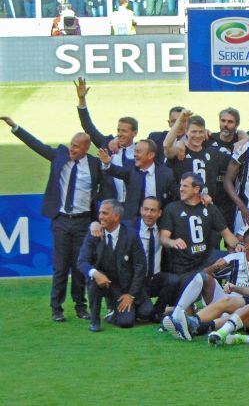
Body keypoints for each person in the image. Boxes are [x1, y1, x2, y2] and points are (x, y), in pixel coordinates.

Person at [1, 116, 100, 322]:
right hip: (62, 220)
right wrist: (15, 127)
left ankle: (81, 307)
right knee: (60, 267)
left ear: (85, 148)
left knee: (80, 267)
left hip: (83, 222)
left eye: (76, 146)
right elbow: (36, 145)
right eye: (71, 144)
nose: (71, 149)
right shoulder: (59, 156)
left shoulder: (95, 165)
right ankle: (57, 308)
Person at [162, 230, 249, 340]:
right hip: (227, 300)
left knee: (224, 315)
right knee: (202, 277)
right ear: (247, 245)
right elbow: (201, 277)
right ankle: (177, 316)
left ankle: (188, 322)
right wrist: (215, 267)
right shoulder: (233, 260)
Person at [78, 200, 148, 332]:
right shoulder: (94, 234)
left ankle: (113, 313)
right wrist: (95, 273)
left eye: (104, 213)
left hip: (123, 288)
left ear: (116, 216)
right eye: (100, 213)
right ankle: (94, 321)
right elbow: (81, 261)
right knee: (93, 281)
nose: (100, 217)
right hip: (102, 284)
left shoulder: (131, 235)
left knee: (135, 318)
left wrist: (131, 295)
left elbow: (140, 266)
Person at [159, 173, 241, 277]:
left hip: (206, 260)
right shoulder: (172, 209)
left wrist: (239, 246)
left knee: (235, 260)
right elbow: (163, 238)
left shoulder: (210, 208)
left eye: (185, 186)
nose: (181, 189)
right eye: (180, 185)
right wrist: (172, 242)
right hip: (183, 265)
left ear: (196, 189)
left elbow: (227, 235)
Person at [75, 78, 138, 203]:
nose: (119, 134)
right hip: (109, 205)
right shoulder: (107, 145)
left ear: (134, 133)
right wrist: (82, 99)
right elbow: (88, 127)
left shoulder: (141, 149)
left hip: (132, 207)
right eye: (118, 130)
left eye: (124, 131)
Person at [98, 139, 177, 220]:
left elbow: (176, 196)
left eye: (138, 152)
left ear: (150, 155)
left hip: (157, 220)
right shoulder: (131, 168)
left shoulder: (165, 173)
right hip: (132, 221)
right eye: (134, 151)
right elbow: (117, 171)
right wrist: (107, 163)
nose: (134, 155)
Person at [164, 114, 232, 206]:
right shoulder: (179, 151)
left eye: (201, 132)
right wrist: (180, 120)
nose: (198, 135)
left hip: (207, 207)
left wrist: (244, 136)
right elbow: (166, 146)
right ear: (186, 131)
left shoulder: (212, 153)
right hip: (182, 207)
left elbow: (235, 162)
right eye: (194, 131)